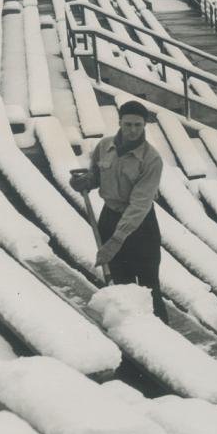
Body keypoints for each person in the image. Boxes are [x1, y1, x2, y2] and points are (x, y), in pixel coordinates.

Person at [70, 100, 167, 320]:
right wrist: (84, 182)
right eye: (128, 124)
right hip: (110, 218)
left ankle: (161, 334)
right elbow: (95, 176)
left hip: (140, 225)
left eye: (138, 125)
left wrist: (115, 241)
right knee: (120, 284)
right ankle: (129, 334)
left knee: (148, 287)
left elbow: (139, 204)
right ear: (119, 123)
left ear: (144, 126)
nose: (133, 130)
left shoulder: (152, 160)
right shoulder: (104, 147)